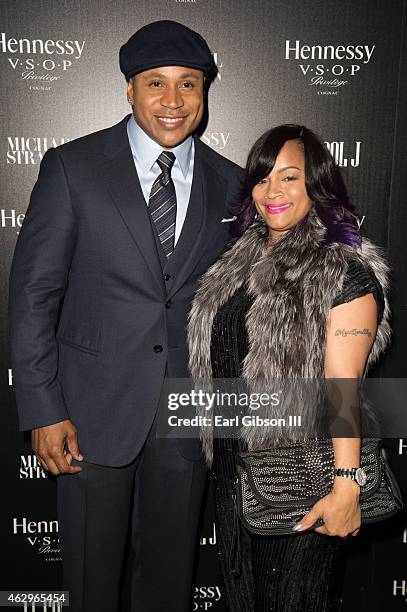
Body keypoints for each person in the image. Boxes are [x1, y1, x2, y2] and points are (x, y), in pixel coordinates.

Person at [8, 20, 242, 612]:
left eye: (187, 84)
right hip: (88, 417)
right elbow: (34, 296)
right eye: (155, 84)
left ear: (205, 93)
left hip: (187, 421)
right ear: (129, 90)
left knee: (168, 587)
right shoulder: (73, 168)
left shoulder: (233, 185)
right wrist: (43, 409)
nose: (172, 101)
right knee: (89, 583)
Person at [187, 124, 390, 611]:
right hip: (237, 478)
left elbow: (343, 390)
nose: (272, 191)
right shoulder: (239, 261)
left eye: (290, 177)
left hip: (304, 481)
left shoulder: (342, 272)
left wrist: (346, 487)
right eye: (262, 178)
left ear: (316, 186)